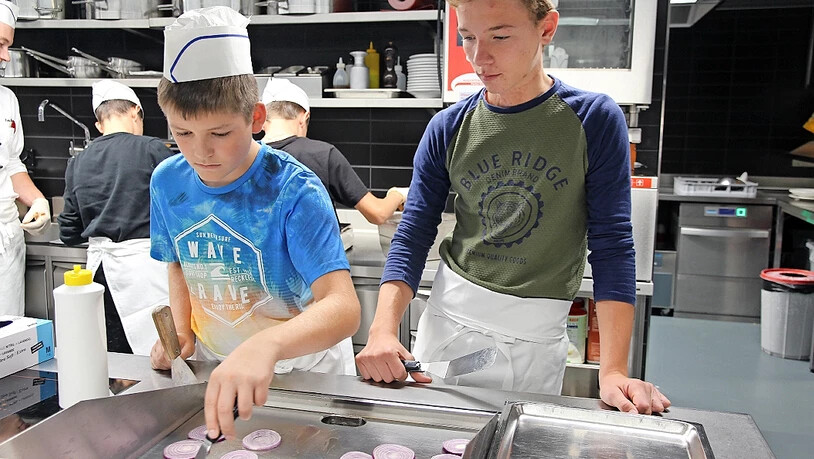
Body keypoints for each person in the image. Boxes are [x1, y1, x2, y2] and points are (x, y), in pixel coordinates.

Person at [355, 0, 671, 415]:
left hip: (535, 339)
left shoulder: (593, 118)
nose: (478, 58)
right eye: (468, 37)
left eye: (500, 36)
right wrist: (381, 330)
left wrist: (612, 371)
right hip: (448, 325)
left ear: (546, 28)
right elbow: (413, 233)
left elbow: (612, 246)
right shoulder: (448, 127)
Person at [148, 7, 360, 440]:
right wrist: (184, 331)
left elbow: (342, 308)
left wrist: (266, 345)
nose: (200, 152)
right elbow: (178, 262)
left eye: (220, 134)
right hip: (218, 366)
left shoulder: (292, 190)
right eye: (182, 133)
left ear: (257, 119)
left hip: (300, 368)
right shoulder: (167, 181)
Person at [57, 80, 174, 355]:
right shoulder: (153, 149)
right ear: (135, 112)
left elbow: (69, 231)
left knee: (114, 358)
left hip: (100, 275)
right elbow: (179, 208)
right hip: (147, 272)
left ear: (99, 124)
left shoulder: (78, 161)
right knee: (160, 355)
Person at [261, 77, 408, 225]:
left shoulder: (245, 157)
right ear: (304, 117)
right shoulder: (322, 155)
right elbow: (378, 213)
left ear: (262, 121)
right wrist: (398, 194)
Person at [0, 0, 51, 316]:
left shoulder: (6, 100)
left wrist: (37, 201)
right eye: (0, 44)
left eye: (7, 45)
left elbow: (11, 163)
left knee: (7, 341)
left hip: (6, 236)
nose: (5, 56)